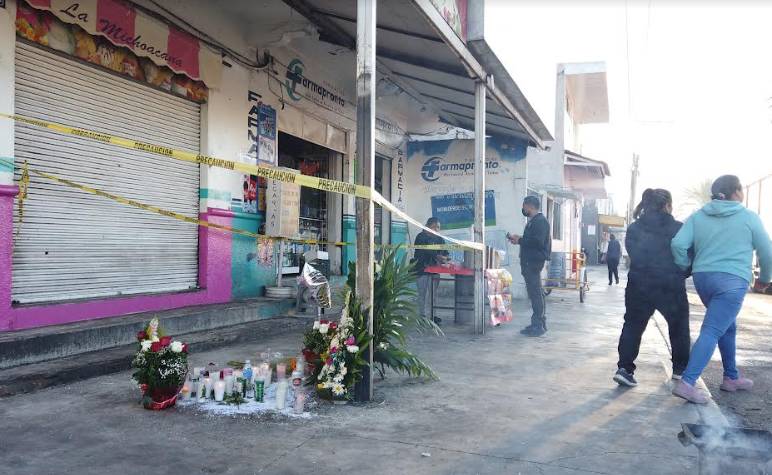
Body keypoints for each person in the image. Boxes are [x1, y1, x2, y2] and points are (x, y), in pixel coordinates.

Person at [671, 175, 772, 404]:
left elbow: (678, 244)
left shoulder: (698, 216)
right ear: (737, 192)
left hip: (703, 279)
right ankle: (687, 383)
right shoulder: (748, 217)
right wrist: (764, 279)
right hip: (732, 281)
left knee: (727, 326)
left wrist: (684, 264)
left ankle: (731, 377)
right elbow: (767, 251)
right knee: (713, 329)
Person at [613, 189, 691, 387]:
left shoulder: (634, 229)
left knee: (632, 325)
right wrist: (682, 273)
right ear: (667, 205)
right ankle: (680, 371)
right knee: (679, 327)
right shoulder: (679, 228)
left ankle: (624, 369)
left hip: (639, 284)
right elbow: (690, 257)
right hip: (670, 286)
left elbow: (635, 255)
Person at [508, 196, 552, 337]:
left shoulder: (540, 222)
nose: (523, 209)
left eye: (524, 206)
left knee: (536, 293)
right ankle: (538, 322)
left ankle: (538, 325)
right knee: (535, 293)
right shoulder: (534, 221)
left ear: (530, 206)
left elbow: (538, 242)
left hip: (533, 262)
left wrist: (520, 240)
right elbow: (532, 240)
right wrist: (519, 240)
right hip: (530, 261)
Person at [413, 217, 450, 324]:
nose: (437, 229)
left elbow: (446, 251)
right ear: (429, 226)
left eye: (438, 227)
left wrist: (446, 257)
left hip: (435, 270)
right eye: (435, 227)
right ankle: (422, 316)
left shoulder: (439, 238)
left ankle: (433, 315)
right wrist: (439, 256)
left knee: (433, 294)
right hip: (422, 269)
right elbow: (426, 251)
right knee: (422, 294)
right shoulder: (421, 237)